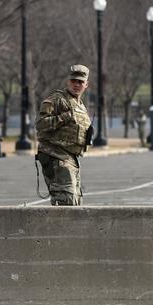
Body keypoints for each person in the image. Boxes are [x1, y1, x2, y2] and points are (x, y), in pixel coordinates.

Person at [35, 64, 94, 206]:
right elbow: (40, 124)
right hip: (56, 157)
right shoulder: (57, 99)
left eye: (80, 82)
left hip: (72, 159)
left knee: (75, 202)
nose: (77, 84)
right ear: (68, 81)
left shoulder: (80, 105)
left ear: (86, 84)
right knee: (66, 203)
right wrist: (64, 117)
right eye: (74, 81)